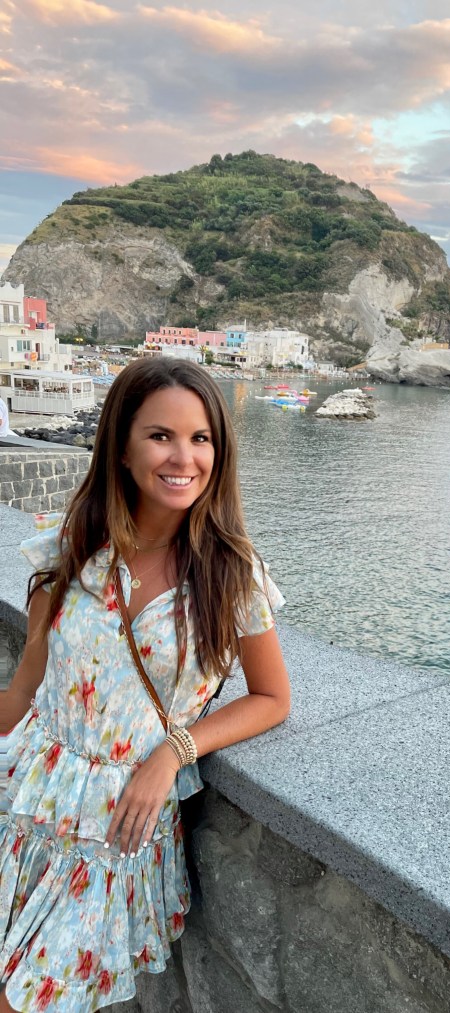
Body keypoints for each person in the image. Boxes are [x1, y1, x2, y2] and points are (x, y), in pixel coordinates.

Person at [0, 358, 291, 1012]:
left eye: (201, 438)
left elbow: (273, 697)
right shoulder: (74, 544)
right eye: (161, 435)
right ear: (123, 448)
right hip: (27, 798)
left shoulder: (230, 573)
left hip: (116, 831)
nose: (184, 457)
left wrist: (173, 752)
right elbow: (24, 692)